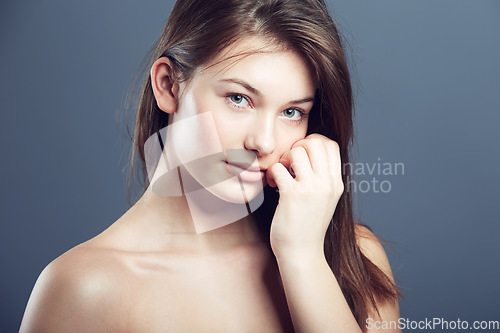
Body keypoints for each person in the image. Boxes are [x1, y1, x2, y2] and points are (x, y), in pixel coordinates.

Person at [20, 0, 401, 332]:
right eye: (239, 98)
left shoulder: (352, 257)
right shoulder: (83, 289)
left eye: (291, 111)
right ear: (169, 85)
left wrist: (302, 257)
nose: (263, 142)